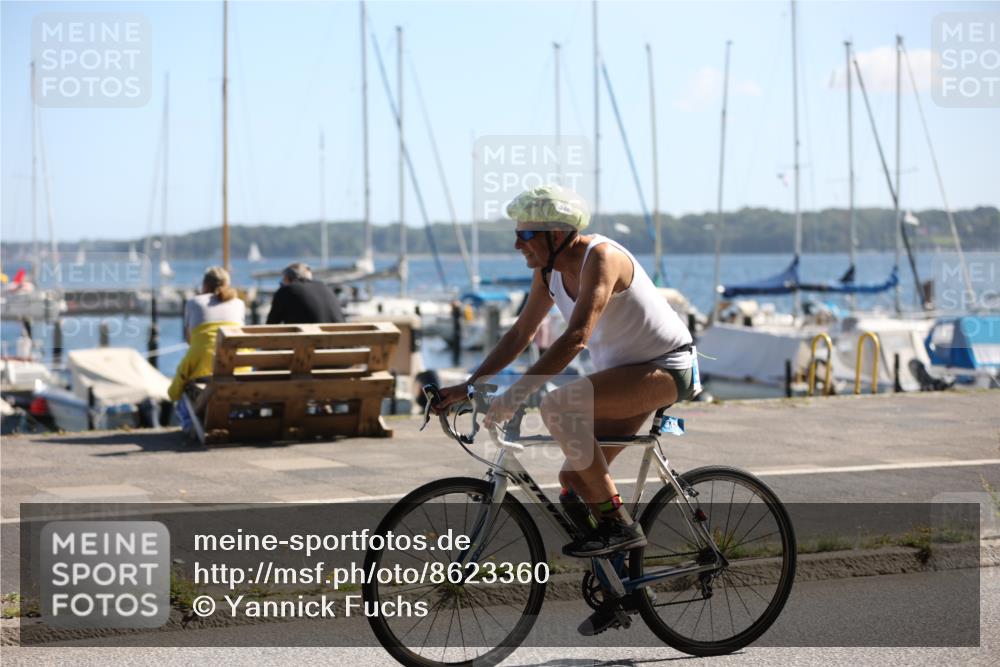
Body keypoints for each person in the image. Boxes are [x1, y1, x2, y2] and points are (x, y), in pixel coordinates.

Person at [434, 185, 697, 634]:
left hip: (665, 368)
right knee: (575, 483)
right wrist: (468, 385)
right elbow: (519, 335)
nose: (517, 244)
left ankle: (619, 526)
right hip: (624, 375)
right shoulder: (549, 270)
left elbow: (575, 338)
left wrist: (518, 394)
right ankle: (625, 588)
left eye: (526, 234)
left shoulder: (602, 258)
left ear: (558, 233)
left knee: (558, 405)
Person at [168, 267, 245, 423]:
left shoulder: (193, 302)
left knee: (184, 385)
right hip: (238, 371)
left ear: (204, 285)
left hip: (204, 375)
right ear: (227, 284)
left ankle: (192, 425)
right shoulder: (238, 303)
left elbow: (189, 341)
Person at [266, 263, 344, 324]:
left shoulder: (286, 290)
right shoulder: (325, 287)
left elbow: (271, 325)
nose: (282, 284)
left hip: (309, 342)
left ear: (288, 278)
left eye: (283, 281)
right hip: (340, 342)